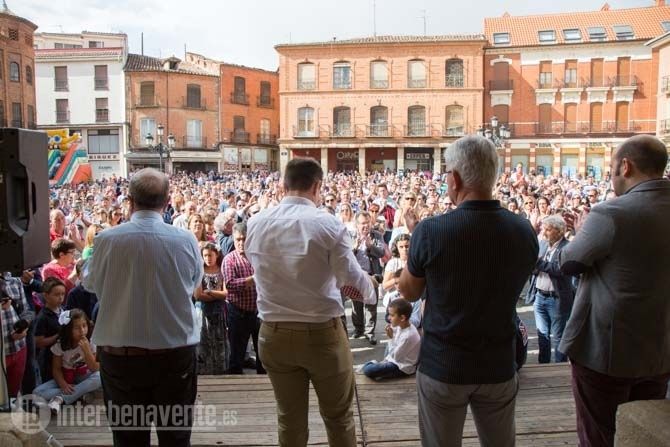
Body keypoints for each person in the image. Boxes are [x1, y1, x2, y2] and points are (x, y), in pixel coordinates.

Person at [399, 136, 538, 447]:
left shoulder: (430, 231)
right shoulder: (524, 230)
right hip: (498, 364)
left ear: (456, 178)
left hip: (443, 366)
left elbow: (409, 292)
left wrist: (416, 240)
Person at [246, 158, 377, 447]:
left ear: (283, 185)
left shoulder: (255, 222)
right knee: (338, 417)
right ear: (317, 186)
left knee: (288, 418)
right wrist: (371, 290)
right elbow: (351, 279)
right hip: (321, 335)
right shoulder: (327, 224)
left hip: (273, 334)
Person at [559, 135, 670, 447]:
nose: (611, 177)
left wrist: (581, 230)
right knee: (645, 434)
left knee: (599, 437)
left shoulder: (611, 213)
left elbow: (569, 263)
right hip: (660, 352)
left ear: (626, 166)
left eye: (611, 169)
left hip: (606, 352)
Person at [83, 168, 203, 446]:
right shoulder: (185, 239)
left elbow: (89, 283)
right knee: (175, 438)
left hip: (121, 358)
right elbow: (194, 283)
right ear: (167, 201)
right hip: (174, 356)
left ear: (130, 201)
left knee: (128, 439)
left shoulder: (106, 240)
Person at [33, 309, 101, 415]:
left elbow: (94, 368)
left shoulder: (91, 341)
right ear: (68, 329)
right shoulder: (60, 345)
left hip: (84, 376)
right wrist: (63, 384)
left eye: (84, 326)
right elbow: (56, 369)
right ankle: (78, 395)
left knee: (99, 377)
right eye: (77, 328)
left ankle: (59, 399)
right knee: (37, 392)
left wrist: (87, 350)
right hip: (66, 377)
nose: (82, 331)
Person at [527, 215, 574, 363]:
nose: (544, 232)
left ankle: (560, 366)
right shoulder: (542, 244)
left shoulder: (567, 247)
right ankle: (543, 365)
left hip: (557, 299)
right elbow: (535, 267)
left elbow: (559, 269)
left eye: (548, 229)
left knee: (558, 337)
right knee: (542, 336)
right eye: (543, 229)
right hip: (540, 297)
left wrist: (538, 263)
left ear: (559, 231)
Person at [222, 222, 265, 375]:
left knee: (263, 355)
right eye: (238, 239)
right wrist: (251, 280)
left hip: (258, 312)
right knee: (237, 356)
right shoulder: (230, 259)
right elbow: (230, 284)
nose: (241, 243)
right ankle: (235, 384)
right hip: (238, 313)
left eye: (244, 239)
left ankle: (262, 384)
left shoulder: (257, 257)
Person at [345, 211, 384, 345]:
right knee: (356, 304)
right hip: (356, 275)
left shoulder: (377, 235)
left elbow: (381, 253)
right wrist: (354, 248)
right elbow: (345, 256)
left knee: (371, 305)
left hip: (371, 275)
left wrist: (370, 246)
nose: (365, 226)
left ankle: (370, 332)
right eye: (362, 223)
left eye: (368, 223)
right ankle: (358, 329)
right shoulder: (350, 236)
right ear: (357, 225)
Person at [361, 298, 421, 380]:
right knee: (373, 367)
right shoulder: (401, 326)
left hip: (402, 367)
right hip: (396, 359)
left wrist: (390, 338)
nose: (389, 318)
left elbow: (395, 356)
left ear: (402, 318)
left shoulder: (408, 335)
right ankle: (377, 364)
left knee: (369, 370)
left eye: (392, 315)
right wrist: (392, 337)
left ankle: (374, 364)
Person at [193, 242, 229, 375]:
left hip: (219, 312)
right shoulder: (200, 271)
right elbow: (198, 295)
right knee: (204, 340)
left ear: (216, 255)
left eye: (210, 255)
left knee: (218, 339)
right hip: (203, 312)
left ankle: (219, 369)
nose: (208, 258)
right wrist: (217, 295)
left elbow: (225, 293)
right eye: (205, 255)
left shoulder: (221, 270)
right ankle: (204, 370)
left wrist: (210, 292)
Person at [0, 273, 34, 397]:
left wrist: (24, 325)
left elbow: (27, 311)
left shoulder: (14, 280)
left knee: (13, 394)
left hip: (18, 347)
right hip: (2, 353)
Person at [34, 278, 66, 383]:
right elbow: (39, 342)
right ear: (46, 296)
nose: (61, 298)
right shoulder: (43, 317)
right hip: (49, 359)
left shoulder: (64, 310)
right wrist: (58, 335)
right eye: (57, 295)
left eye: (63, 294)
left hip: (64, 357)